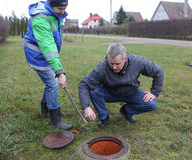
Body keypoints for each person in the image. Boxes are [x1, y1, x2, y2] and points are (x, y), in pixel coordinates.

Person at [78, 43, 164, 127]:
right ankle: (104, 117)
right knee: (94, 92)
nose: (114, 67)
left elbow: (158, 71)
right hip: (111, 92)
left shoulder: (137, 62)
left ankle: (127, 110)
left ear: (125, 58)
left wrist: (154, 92)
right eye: (111, 63)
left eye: (117, 64)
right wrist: (86, 107)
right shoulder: (102, 67)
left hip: (131, 92)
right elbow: (84, 84)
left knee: (151, 104)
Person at [24, 0, 73, 130]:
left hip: (46, 55)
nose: (63, 12)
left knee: (50, 82)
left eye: (64, 8)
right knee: (52, 83)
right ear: (50, 6)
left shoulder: (53, 15)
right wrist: (60, 72)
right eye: (59, 9)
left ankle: (45, 109)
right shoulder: (40, 19)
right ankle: (55, 121)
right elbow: (48, 46)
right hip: (37, 56)